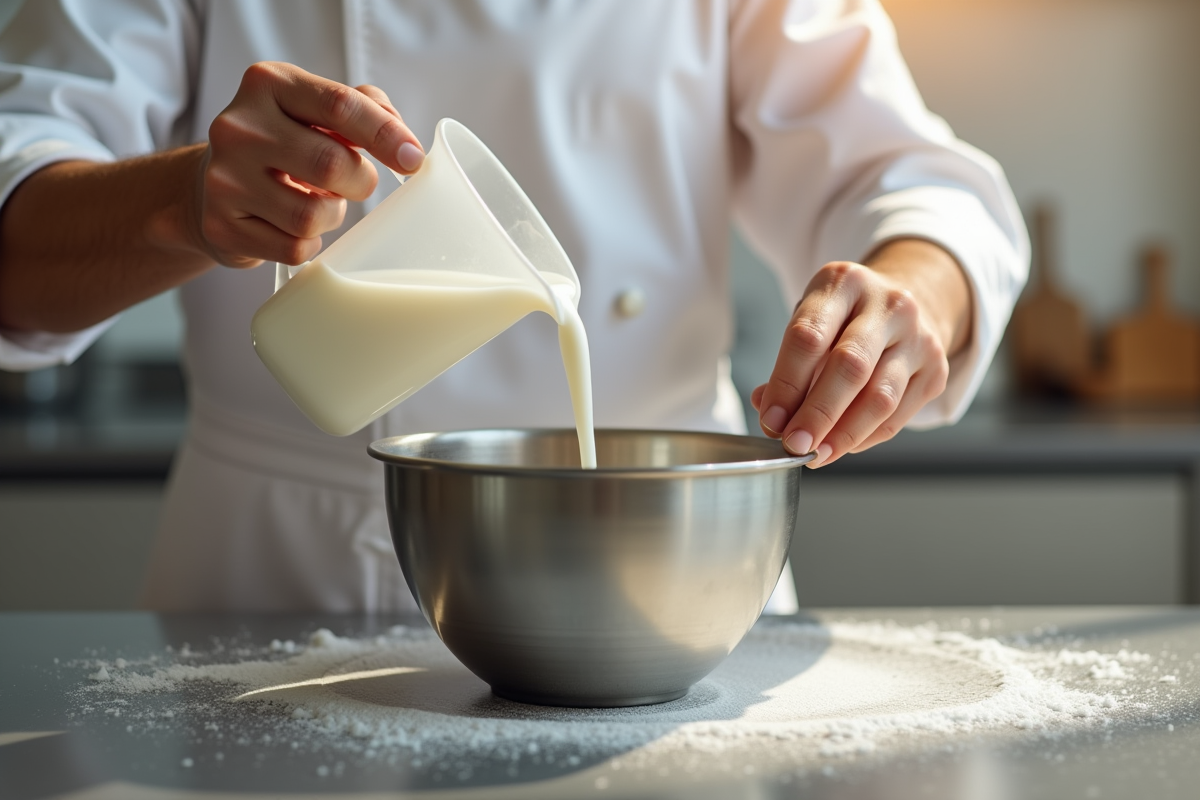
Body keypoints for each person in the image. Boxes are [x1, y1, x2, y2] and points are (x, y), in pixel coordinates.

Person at [0, 1, 1028, 613]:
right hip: (292, 572)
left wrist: (915, 298)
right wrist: (185, 202)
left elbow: (920, 185)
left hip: (673, 573)